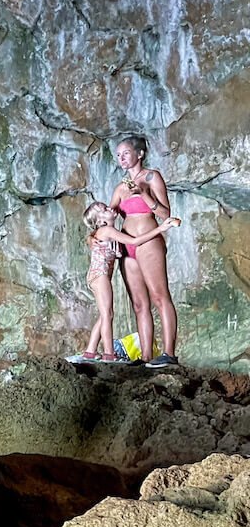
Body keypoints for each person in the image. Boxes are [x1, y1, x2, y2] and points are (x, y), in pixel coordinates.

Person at [78, 201, 180, 362]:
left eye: (105, 206)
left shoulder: (109, 231)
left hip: (99, 276)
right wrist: (161, 228)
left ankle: (90, 351)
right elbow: (134, 241)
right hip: (100, 275)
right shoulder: (106, 230)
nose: (109, 208)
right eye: (104, 210)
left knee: (104, 314)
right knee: (107, 314)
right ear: (99, 222)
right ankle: (109, 354)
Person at [109, 134, 180, 366]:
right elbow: (108, 216)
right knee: (139, 304)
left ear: (139, 154)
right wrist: (105, 233)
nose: (121, 158)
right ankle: (145, 356)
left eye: (126, 153)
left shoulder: (152, 177)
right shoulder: (120, 187)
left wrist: (144, 195)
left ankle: (169, 353)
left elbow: (165, 214)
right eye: (118, 155)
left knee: (160, 297)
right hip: (127, 244)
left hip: (149, 241)